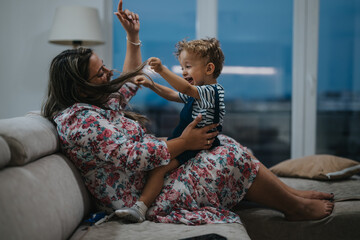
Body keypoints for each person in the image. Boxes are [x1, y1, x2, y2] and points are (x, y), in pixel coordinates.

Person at [42, 0, 334, 226]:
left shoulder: (96, 104)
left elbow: (129, 82)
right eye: (99, 73)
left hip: (149, 180)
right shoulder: (80, 121)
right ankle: (296, 208)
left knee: (230, 145)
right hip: (140, 198)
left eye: (104, 64)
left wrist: (133, 36)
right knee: (230, 157)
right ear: (79, 88)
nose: (109, 73)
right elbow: (132, 156)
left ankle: (292, 195)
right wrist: (184, 142)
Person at [115, 38, 226, 222]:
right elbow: (174, 94)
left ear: (209, 69)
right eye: (182, 67)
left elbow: (184, 88)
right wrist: (152, 84)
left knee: (159, 167)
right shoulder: (197, 92)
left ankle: (140, 207)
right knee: (153, 148)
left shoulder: (211, 92)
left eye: (188, 66)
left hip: (196, 146)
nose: (183, 72)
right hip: (185, 139)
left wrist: (161, 70)